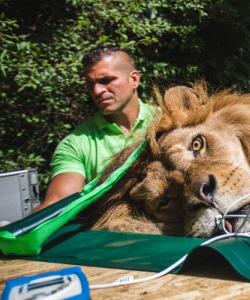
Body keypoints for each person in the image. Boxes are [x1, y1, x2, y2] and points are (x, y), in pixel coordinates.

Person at [36, 46, 158, 211]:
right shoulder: (76, 143)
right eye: (90, 84)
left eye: (106, 80)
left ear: (134, 79)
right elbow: (58, 203)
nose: (97, 90)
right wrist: (19, 231)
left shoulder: (170, 120)